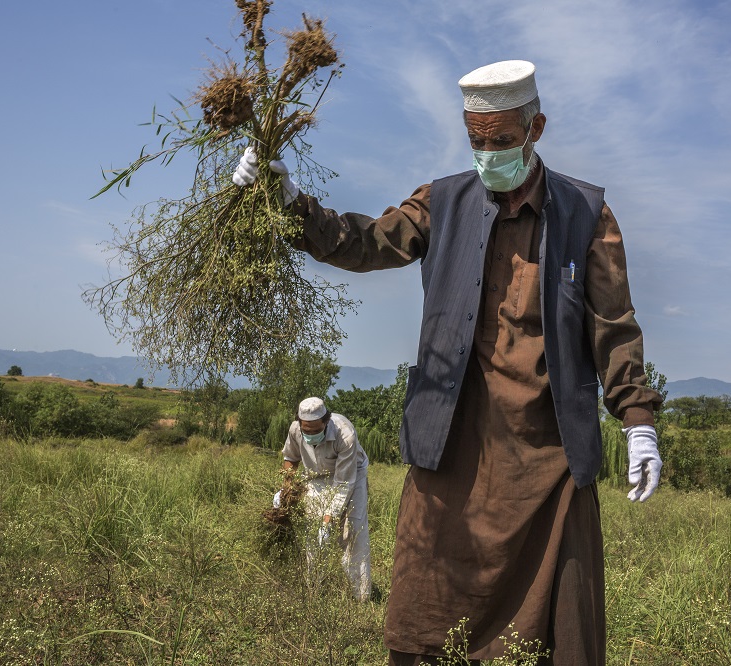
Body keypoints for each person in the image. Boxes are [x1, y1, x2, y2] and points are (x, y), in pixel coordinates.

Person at [235, 60, 662, 665]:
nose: (488, 154)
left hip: (548, 460)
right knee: (425, 617)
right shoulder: (443, 202)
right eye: (476, 141)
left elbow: (613, 326)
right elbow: (362, 242)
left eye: (502, 141)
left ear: (535, 127)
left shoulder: (586, 216)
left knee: (559, 631)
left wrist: (638, 419)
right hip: (451, 448)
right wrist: (284, 202)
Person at [280, 396, 372, 602]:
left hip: (351, 474)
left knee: (354, 528)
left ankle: (361, 595)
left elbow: (343, 483)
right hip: (315, 475)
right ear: (300, 423)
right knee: (312, 529)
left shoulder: (345, 434)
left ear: (326, 422)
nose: (310, 434)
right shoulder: (295, 430)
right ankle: (314, 588)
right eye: (307, 431)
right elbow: (291, 459)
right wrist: (285, 489)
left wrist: (328, 519)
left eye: (315, 430)